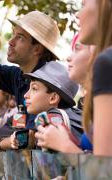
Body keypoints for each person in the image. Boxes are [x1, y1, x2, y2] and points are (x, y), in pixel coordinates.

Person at [0, 61, 82, 153]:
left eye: (34, 89)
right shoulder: (75, 115)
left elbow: (25, 138)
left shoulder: (51, 118)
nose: (26, 95)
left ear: (53, 98)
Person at [78, 0, 112, 156]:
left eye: (84, 4)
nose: (78, 14)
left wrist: (65, 147)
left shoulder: (106, 62)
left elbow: (105, 165)